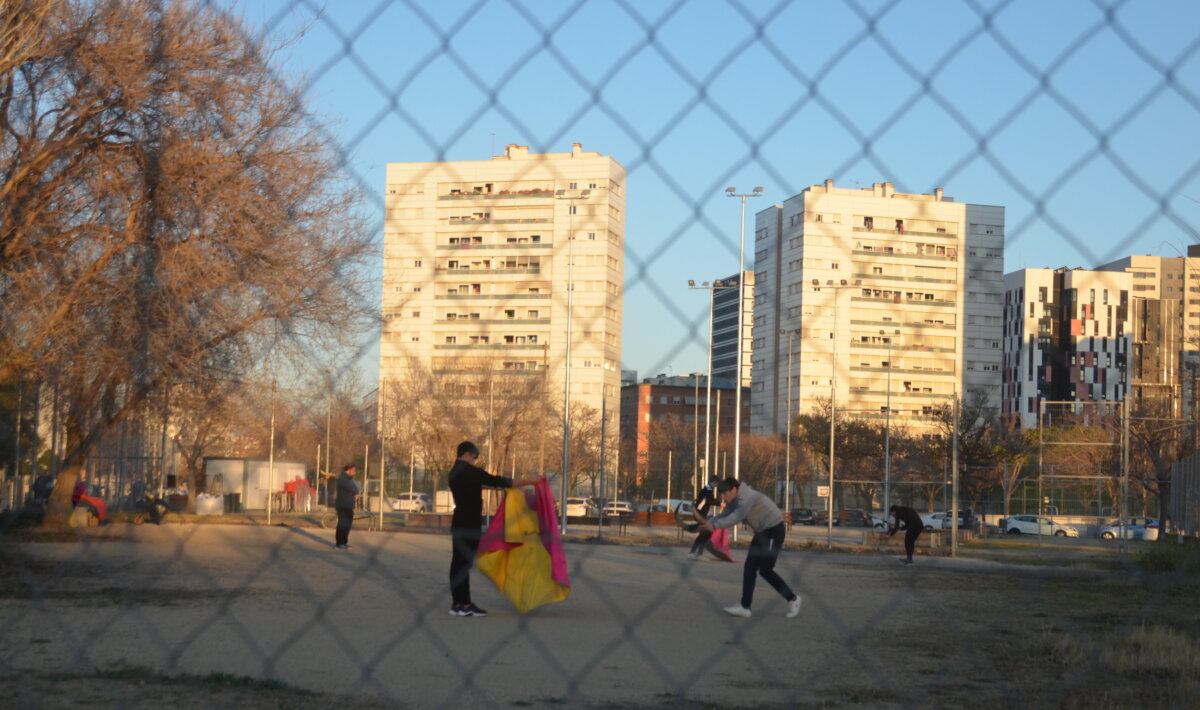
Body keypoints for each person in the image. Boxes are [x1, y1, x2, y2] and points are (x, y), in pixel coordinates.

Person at [448, 441, 541, 617]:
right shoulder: (471, 471)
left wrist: (510, 488)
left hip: (459, 523)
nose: (475, 460)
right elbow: (498, 480)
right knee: (464, 564)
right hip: (470, 524)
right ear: (468, 454)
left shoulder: (454, 472)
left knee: (457, 564)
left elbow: (485, 484)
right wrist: (529, 481)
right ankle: (465, 604)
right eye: (475, 456)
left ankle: (457, 603)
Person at [700, 478, 801, 619]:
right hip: (760, 533)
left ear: (734, 490)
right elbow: (724, 514)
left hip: (774, 531)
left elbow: (736, 517)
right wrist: (708, 523)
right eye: (721, 494)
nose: (722, 497)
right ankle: (745, 607)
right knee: (749, 567)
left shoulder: (747, 497)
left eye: (724, 494)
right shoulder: (734, 500)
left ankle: (793, 599)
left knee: (765, 571)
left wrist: (715, 526)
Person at [687, 477, 725, 560]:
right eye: (717, 484)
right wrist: (720, 504)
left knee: (703, 534)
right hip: (700, 515)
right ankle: (696, 553)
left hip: (700, 514)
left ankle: (694, 552)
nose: (717, 485)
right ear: (714, 482)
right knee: (705, 534)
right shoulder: (708, 490)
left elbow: (709, 500)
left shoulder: (707, 489)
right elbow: (710, 500)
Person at [333, 464, 359, 550]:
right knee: (343, 524)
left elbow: (355, 489)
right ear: (348, 470)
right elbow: (355, 490)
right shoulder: (344, 479)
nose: (355, 473)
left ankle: (343, 542)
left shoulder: (348, 479)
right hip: (343, 505)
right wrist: (353, 492)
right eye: (354, 470)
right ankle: (339, 543)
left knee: (347, 525)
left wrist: (353, 492)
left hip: (347, 504)